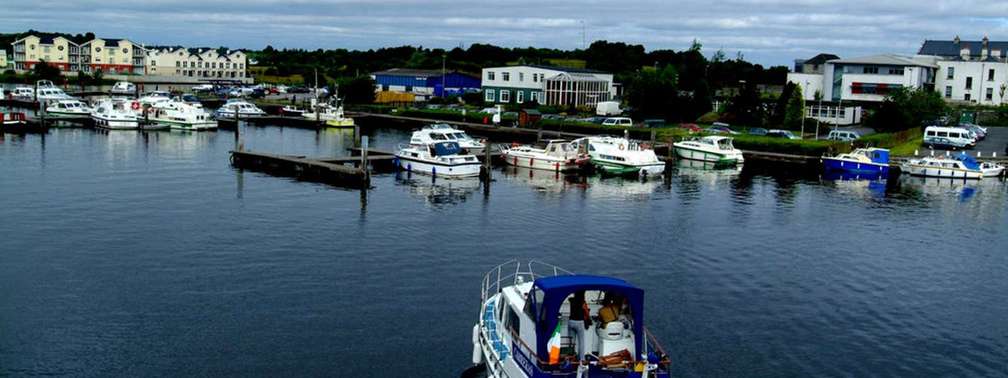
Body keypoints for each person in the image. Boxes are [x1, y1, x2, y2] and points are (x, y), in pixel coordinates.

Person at [567, 291, 593, 359]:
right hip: (579, 322)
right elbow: (587, 312)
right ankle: (581, 359)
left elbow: (570, 299)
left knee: (571, 342)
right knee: (581, 342)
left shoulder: (571, 300)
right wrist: (589, 319)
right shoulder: (583, 302)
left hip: (571, 322)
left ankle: (570, 358)